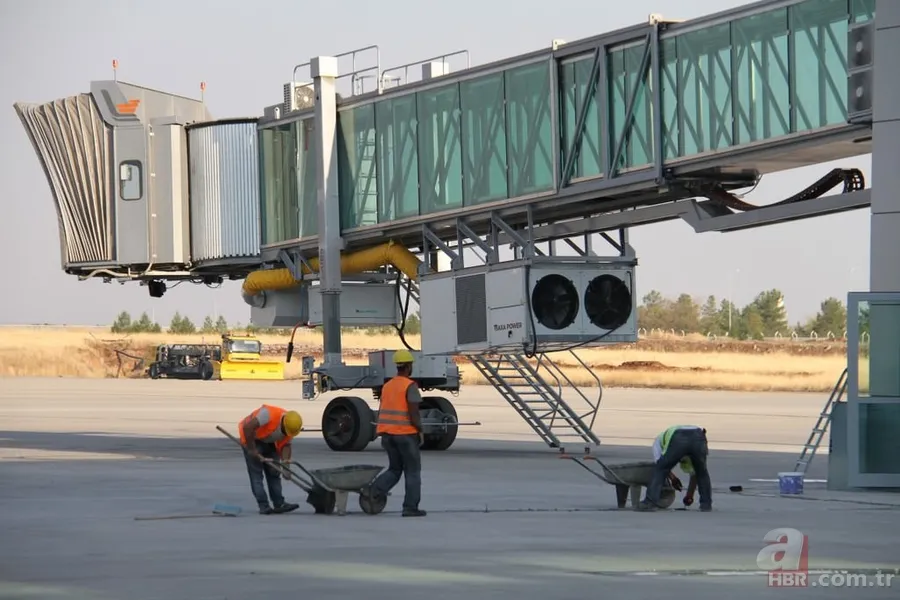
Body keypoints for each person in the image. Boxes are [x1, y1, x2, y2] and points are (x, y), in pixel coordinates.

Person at [365, 349, 427, 517]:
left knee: (394, 469)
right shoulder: (410, 386)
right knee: (412, 471)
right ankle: (410, 507)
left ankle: (374, 491)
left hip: (387, 435)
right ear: (408, 366)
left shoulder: (387, 386)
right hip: (406, 435)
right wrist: (420, 430)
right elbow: (414, 413)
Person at [239, 404, 303, 515]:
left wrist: (286, 469)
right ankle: (264, 506)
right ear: (283, 422)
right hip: (251, 438)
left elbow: (286, 445)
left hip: (268, 440)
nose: (286, 433)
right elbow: (247, 427)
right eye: (285, 430)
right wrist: (252, 449)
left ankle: (279, 503)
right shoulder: (268, 414)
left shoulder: (291, 425)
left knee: (274, 472)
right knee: (256, 475)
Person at [639, 424, 712, 512]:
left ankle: (649, 503)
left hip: (678, 437)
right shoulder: (666, 438)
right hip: (698, 436)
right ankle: (706, 504)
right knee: (702, 472)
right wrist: (689, 495)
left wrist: (672, 479)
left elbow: (661, 466)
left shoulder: (658, 442)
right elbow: (695, 474)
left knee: (660, 469)